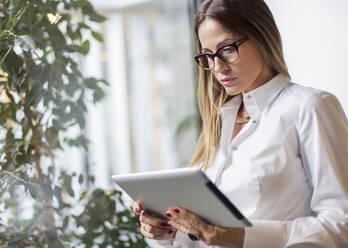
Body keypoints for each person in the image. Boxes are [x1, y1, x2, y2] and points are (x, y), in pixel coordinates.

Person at [132, 0, 348, 247]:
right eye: (208, 55)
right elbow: (209, 233)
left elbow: (341, 224)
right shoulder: (221, 119)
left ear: (262, 37)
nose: (218, 67)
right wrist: (172, 231)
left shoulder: (310, 107)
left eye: (227, 49)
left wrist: (242, 236)